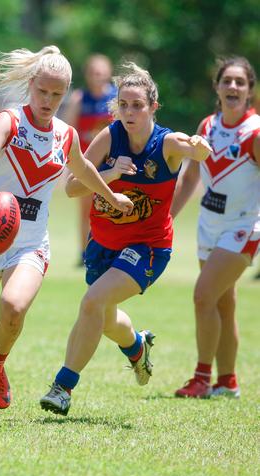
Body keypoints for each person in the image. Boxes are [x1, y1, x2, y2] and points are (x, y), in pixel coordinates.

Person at [0, 45, 134, 425]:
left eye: (57, 95)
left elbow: (85, 169)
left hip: (29, 243)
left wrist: (110, 195)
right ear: (31, 85)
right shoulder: (9, 121)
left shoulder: (65, 135)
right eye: (43, 91)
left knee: (13, 307)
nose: (49, 101)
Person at [39, 62, 213, 416]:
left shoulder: (166, 144)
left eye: (137, 105)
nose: (129, 112)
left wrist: (198, 147)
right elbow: (72, 187)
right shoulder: (109, 136)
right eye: (124, 104)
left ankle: (63, 387)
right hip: (102, 245)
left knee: (91, 302)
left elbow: (195, 150)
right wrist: (110, 171)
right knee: (104, 318)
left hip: (147, 248)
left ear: (153, 108)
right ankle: (136, 347)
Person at [171, 57, 259, 399]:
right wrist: (167, 218)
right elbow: (191, 177)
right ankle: (228, 381)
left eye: (240, 82)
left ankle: (201, 379)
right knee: (224, 303)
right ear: (217, 87)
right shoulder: (206, 126)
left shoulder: (255, 133)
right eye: (228, 81)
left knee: (202, 295)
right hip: (209, 225)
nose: (233, 87)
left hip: (243, 227)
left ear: (249, 89)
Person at [62, 54, 117, 265]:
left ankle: (109, 251)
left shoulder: (115, 98)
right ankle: (84, 253)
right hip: (86, 163)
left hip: (109, 163)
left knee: (109, 208)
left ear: (108, 74)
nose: (98, 77)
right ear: (87, 74)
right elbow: (69, 129)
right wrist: (69, 163)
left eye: (102, 72)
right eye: (94, 72)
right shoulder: (79, 98)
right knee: (86, 209)